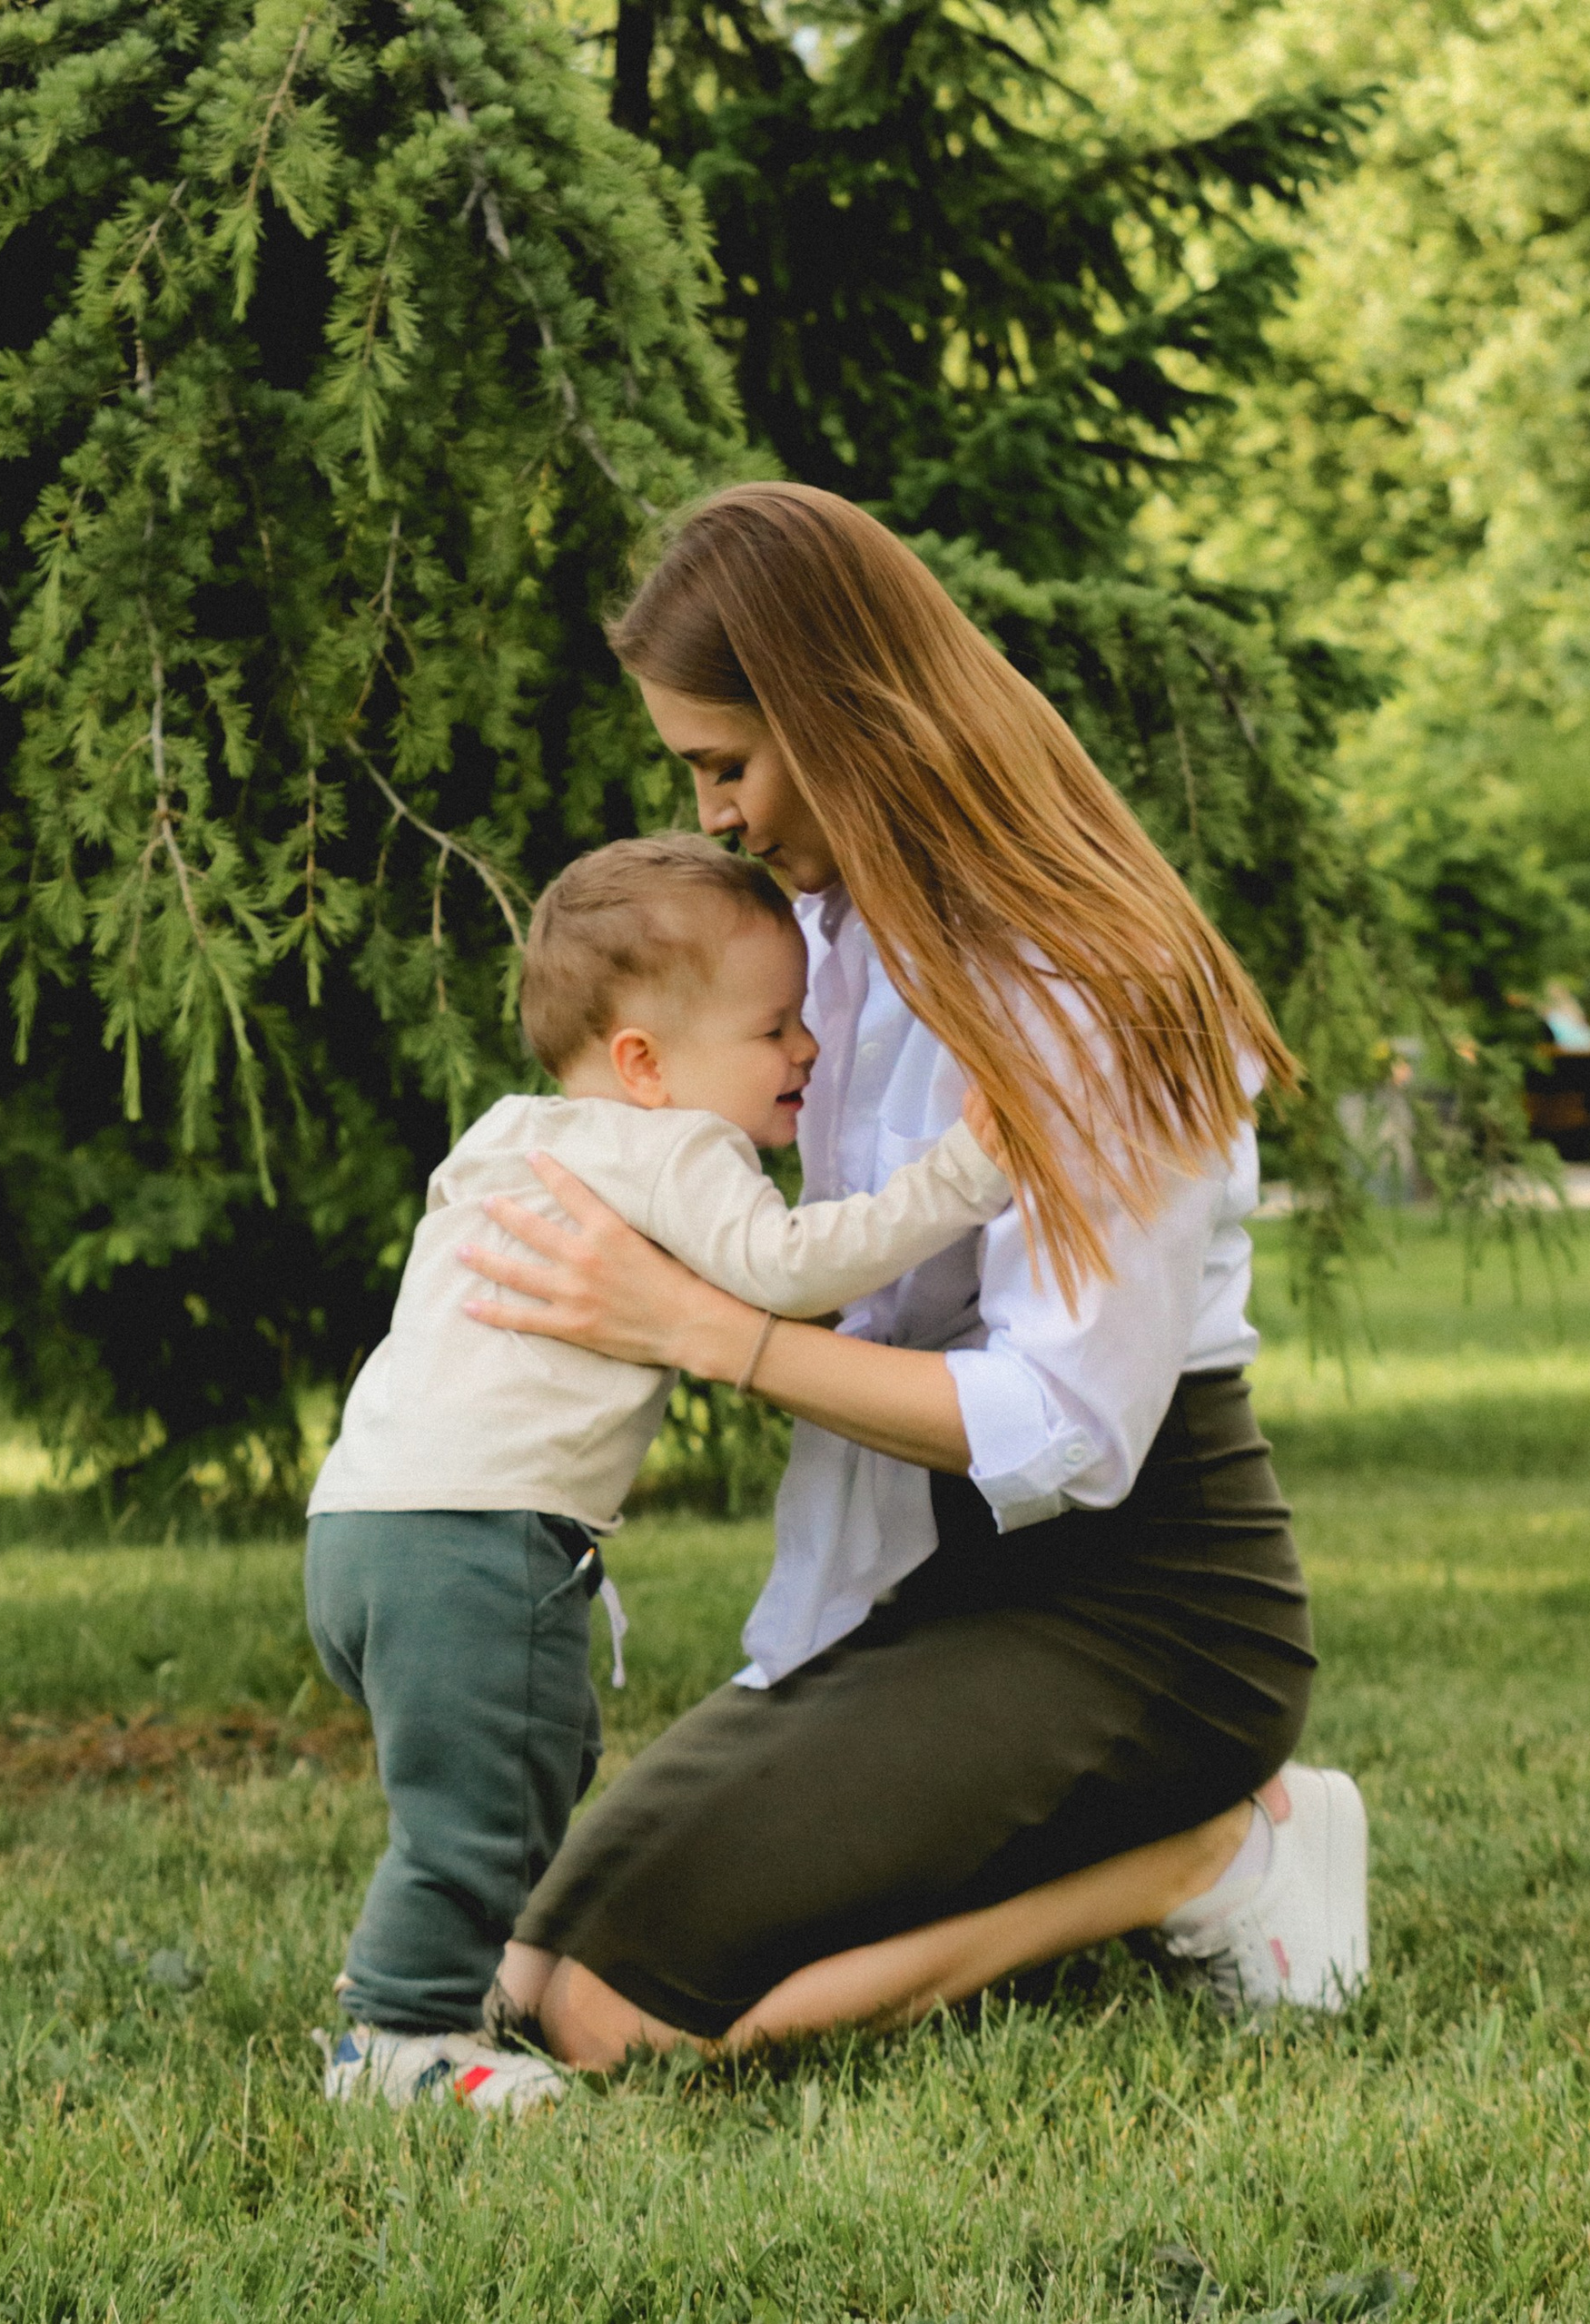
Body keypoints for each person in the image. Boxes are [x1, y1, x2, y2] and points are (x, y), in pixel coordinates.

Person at [463, 483, 1370, 2072]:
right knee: (528, 1970)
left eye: (725, 763)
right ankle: (1111, 1848)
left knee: (618, 2023)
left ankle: (1211, 1853)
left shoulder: (1093, 982)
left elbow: (1075, 1425)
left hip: (1152, 1612)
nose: (720, 814)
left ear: (838, 712)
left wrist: (707, 1331)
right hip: (935, 1581)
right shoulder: (833, 948)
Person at [307, 832, 1012, 2112]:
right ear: (644, 1063)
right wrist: (963, 1176)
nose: (806, 1051)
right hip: (475, 1537)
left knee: (538, 1757)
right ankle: (394, 2047)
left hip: (365, 1528)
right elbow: (792, 1268)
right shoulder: (672, 1147)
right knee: (476, 1816)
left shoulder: (510, 1134)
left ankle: (444, 1990)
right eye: (773, 1029)